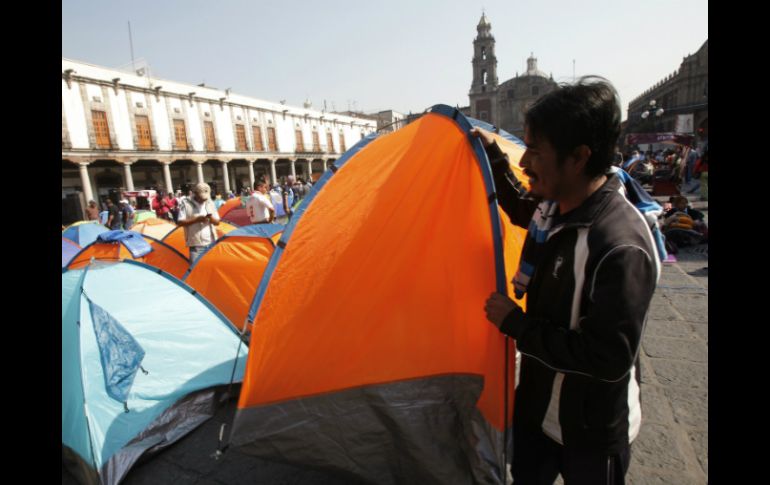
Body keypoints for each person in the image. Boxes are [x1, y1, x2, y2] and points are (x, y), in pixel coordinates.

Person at [472, 76, 659, 485]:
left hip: (590, 431)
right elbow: (525, 207)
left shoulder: (619, 246)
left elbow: (607, 359)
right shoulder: (554, 209)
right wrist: (492, 158)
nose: (524, 163)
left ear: (578, 157)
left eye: (534, 152)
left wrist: (514, 324)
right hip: (539, 412)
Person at [176, 183, 220, 263]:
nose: (204, 200)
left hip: (211, 243)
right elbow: (180, 222)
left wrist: (210, 218)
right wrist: (197, 220)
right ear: (195, 193)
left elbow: (217, 222)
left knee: (211, 270)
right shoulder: (186, 204)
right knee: (195, 271)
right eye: (201, 198)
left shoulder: (210, 202)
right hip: (196, 246)